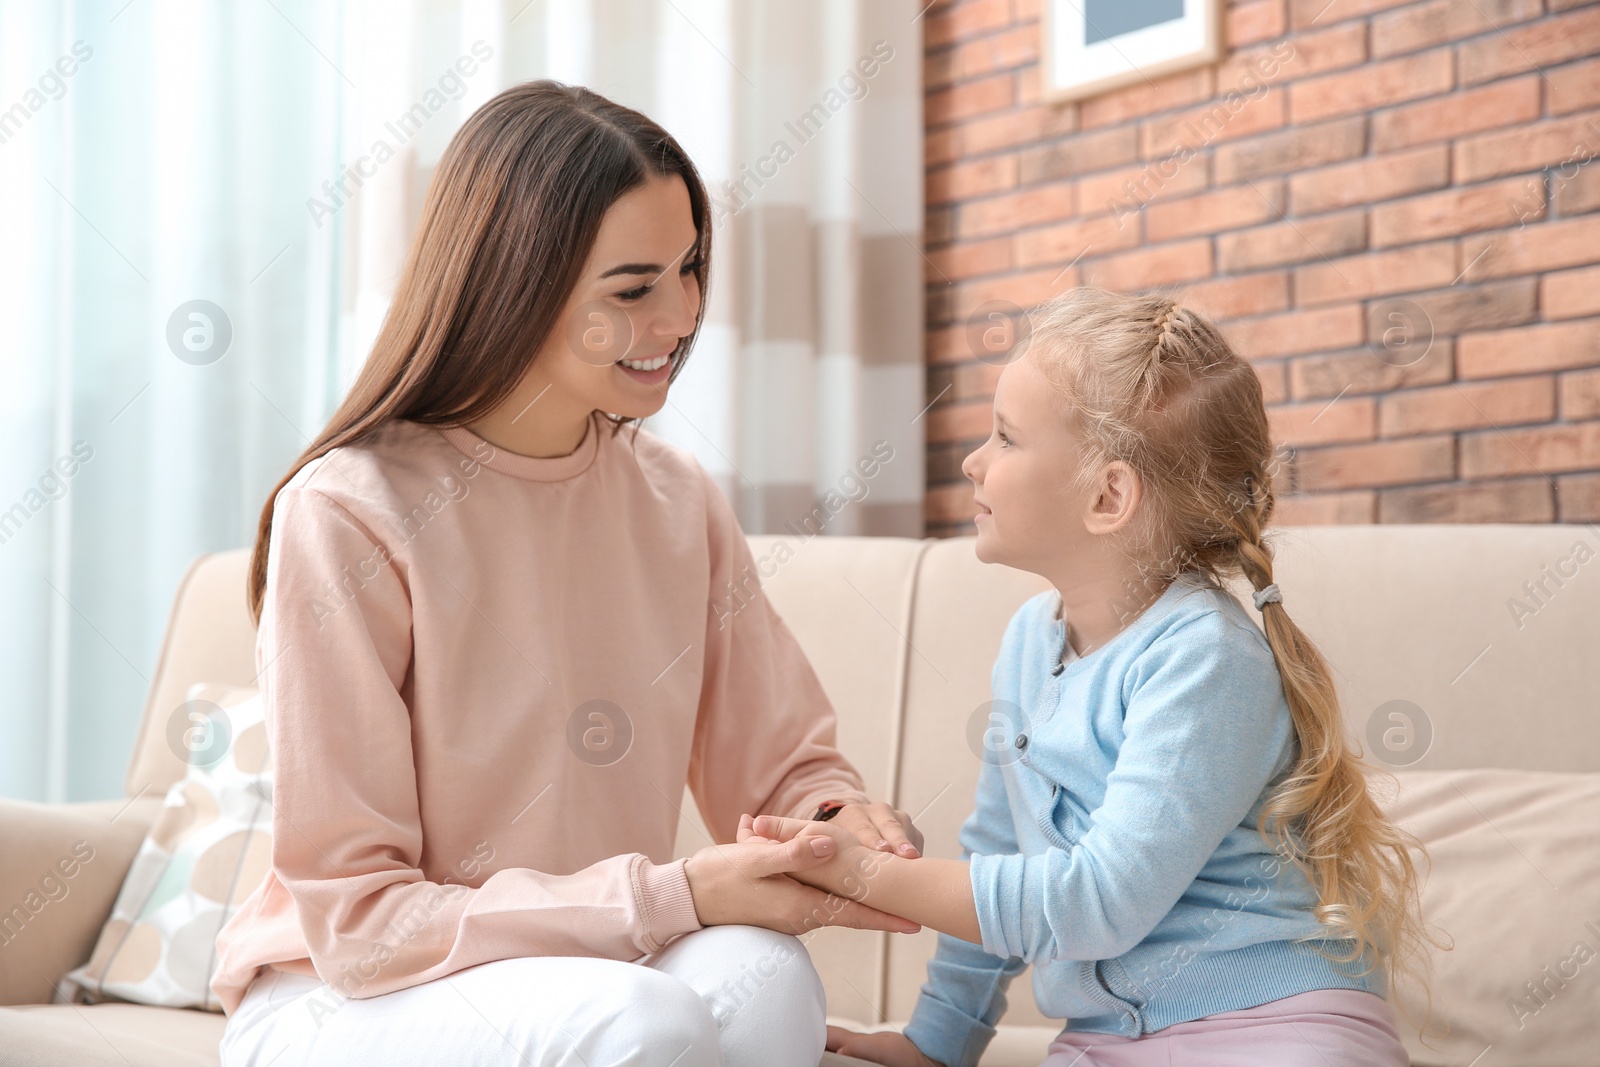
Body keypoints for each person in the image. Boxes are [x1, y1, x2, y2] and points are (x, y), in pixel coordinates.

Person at [209, 80, 927, 1067]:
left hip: (588, 958)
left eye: (691, 268)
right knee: (643, 1020)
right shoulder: (349, 509)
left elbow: (778, 769)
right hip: (342, 993)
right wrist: (672, 894)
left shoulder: (675, 499)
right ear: (515, 281)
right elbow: (364, 924)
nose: (679, 315)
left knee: (763, 978)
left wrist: (832, 823)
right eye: (632, 288)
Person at [742, 288, 1451, 1067]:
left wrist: (865, 873)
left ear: (1109, 496)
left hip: (1275, 1025)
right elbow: (996, 855)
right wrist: (937, 1044)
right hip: (1106, 1040)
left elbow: (1098, 903)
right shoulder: (1026, 641)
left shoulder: (1204, 657)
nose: (974, 460)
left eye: (1006, 438)